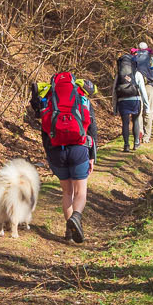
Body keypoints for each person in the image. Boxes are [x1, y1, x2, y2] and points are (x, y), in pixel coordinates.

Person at [39, 71, 94, 243]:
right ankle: (76, 217)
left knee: (67, 191)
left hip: (57, 150)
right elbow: (91, 128)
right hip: (78, 148)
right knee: (80, 192)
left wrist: (49, 155)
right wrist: (92, 155)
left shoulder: (48, 99)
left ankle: (69, 232)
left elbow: (45, 132)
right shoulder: (81, 96)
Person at [112, 52, 147, 151]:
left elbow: (114, 92)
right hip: (135, 100)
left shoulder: (119, 75)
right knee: (135, 121)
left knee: (125, 123)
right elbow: (143, 91)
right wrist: (147, 106)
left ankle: (126, 145)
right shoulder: (137, 74)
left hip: (122, 101)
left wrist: (114, 107)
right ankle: (136, 143)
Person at [130, 41, 153, 145]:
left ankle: (140, 132)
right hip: (149, 87)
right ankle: (147, 137)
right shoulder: (152, 59)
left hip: (137, 87)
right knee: (149, 110)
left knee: (139, 110)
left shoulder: (134, 59)